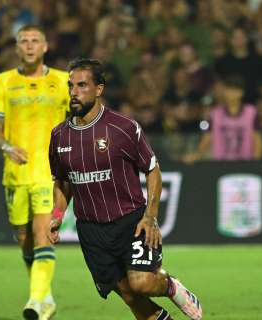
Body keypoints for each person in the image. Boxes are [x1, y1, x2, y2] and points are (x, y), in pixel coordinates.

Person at [48, 58, 202, 320]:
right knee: (130, 296)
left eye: (82, 85)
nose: (74, 92)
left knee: (141, 282)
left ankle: (170, 285)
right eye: (70, 85)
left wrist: (150, 217)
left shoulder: (123, 128)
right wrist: (57, 215)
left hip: (131, 222)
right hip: (91, 231)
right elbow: (62, 181)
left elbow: (153, 170)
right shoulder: (59, 135)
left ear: (99, 89)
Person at [0, 25, 68, 320]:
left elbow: (83, 117)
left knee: (42, 235)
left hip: (50, 173)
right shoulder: (2, 82)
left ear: (45, 47)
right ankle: (45, 297)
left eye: (35, 41)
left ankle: (35, 301)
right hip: (16, 173)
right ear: (17, 48)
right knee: (25, 241)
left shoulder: (63, 81)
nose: (30, 46)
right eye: (24, 41)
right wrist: (6, 146)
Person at [183, 75, 262, 163]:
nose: (231, 94)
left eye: (234, 90)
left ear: (241, 92)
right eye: (228, 90)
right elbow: (207, 137)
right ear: (224, 91)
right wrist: (197, 154)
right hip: (220, 164)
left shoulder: (251, 112)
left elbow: (257, 139)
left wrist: (256, 162)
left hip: (245, 163)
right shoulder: (215, 114)